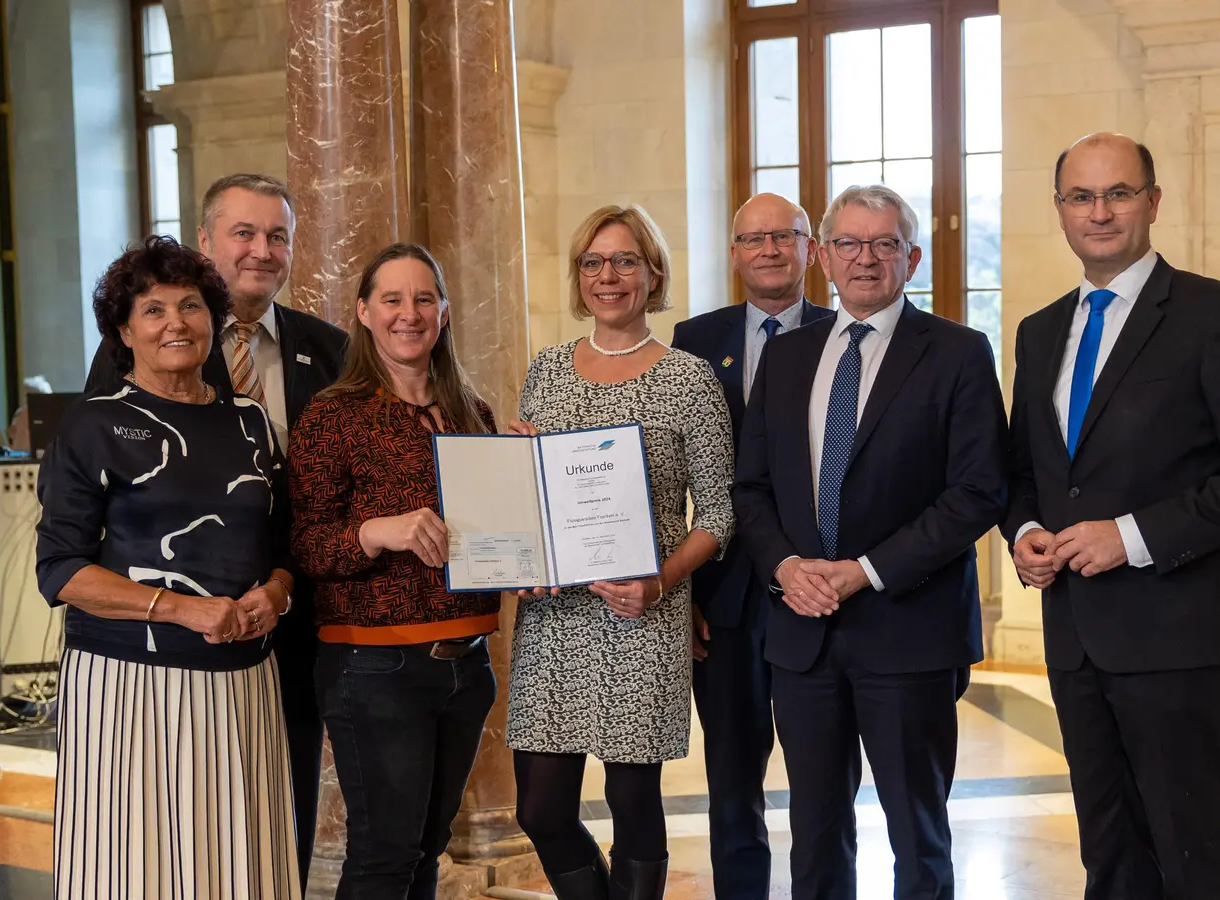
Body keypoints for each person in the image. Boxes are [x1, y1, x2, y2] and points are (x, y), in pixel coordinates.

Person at [1004, 133, 1220, 900]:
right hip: (1075, 634)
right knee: (1108, 849)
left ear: (1153, 201)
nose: (1099, 212)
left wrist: (1131, 537)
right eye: (1081, 197)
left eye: (1119, 193)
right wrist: (1024, 532)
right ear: (1061, 212)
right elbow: (1023, 472)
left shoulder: (1212, 314)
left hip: (1176, 633)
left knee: (1188, 850)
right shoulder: (1040, 333)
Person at [732, 184, 1010, 900]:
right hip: (803, 633)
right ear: (822, 256)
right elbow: (751, 489)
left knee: (918, 833)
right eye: (850, 244)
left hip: (909, 631)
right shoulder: (788, 359)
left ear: (911, 257)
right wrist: (787, 566)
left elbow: (977, 492)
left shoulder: (958, 352)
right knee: (816, 830)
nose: (865, 259)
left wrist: (867, 571)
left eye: (884, 244)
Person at [85, 173, 344, 886]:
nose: (261, 250)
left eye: (277, 236)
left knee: (272, 798)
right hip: (162, 635)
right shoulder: (134, 354)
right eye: (244, 232)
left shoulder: (329, 349)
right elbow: (96, 503)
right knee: (166, 822)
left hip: (290, 612)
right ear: (206, 242)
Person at [36, 235, 298, 898]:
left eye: (190, 306)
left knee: (242, 858)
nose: (175, 322)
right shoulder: (91, 424)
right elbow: (60, 568)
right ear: (124, 331)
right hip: (129, 682)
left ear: (214, 320)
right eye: (152, 310)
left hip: (243, 680)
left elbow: (281, 542)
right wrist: (182, 608)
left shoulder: (250, 422)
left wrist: (276, 591)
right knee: (133, 863)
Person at [506, 204, 734, 899]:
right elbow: (531, 500)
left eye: (626, 260)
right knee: (539, 810)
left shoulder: (689, 379)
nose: (609, 276)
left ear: (653, 273)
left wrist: (659, 586)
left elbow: (720, 513)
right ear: (579, 277)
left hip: (642, 617)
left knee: (635, 803)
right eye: (594, 262)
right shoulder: (546, 370)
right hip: (554, 623)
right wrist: (516, 490)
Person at [288, 243, 500, 898]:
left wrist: (529, 483)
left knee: (425, 853)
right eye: (393, 299)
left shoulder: (474, 413)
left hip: (467, 665)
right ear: (364, 312)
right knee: (384, 857)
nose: (409, 314)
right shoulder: (334, 414)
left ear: (443, 312)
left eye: (424, 298)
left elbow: (495, 535)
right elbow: (305, 545)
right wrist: (376, 533)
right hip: (376, 669)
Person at [668, 192, 832, 898]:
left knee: (823, 781)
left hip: (820, 590)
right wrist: (684, 592)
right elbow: (668, 472)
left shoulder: (844, 330)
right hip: (725, 595)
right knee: (733, 781)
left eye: (785, 236)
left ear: (810, 251)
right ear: (734, 254)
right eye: (753, 238)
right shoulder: (695, 339)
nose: (769, 249)